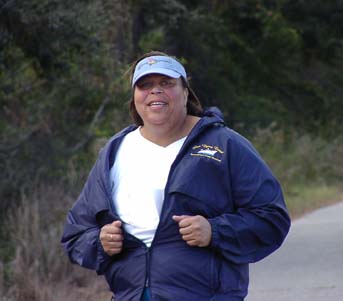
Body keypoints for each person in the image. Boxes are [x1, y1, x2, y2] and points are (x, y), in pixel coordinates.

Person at [61, 51, 291, 301]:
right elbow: (76, 233)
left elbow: (272, 217)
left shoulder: (225, 144)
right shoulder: (114, 152)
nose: (155, 91)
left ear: (185, 93)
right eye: (145, 85)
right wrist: (100, 242)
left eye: (166, 83)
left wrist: (215, 231)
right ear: (135, 97)